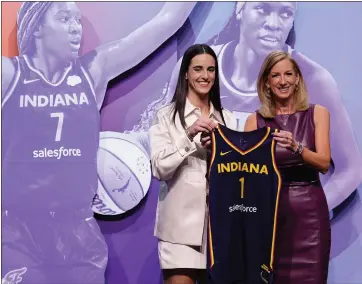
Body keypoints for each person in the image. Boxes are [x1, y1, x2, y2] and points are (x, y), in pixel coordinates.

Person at [1, 2, 195, 283]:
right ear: (37, 27)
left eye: (77, 20)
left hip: (78, 231)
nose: (75, 28)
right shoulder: (8, 75)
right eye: (64, 18)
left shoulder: (93, 69)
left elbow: (166, 21)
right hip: (20, 231)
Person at [160, 1, 362, 217]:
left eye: (285, 13)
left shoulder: (314, 80)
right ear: (240, 8)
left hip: (269, 235)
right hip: (196, 225)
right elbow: (163, 143)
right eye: (263, 9)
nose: (273, 24)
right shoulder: (195, 69)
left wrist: (295, 216)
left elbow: (350, 170)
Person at [149, 44, 236, 284]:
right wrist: (188, 135)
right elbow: (159, 168)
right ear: (186, 73)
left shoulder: (227, 118)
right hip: (179, 230)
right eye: (198, 69)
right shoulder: (166, 117)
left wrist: (221, 150)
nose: (205, 76)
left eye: (211, 69)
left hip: (219, 229)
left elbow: (236, 174)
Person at [244, 50, 331, 283]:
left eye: (288, 74)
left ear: (297, 79)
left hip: (310, 216)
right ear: (267, 83)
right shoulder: (255, 121)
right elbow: (246, 174)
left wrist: (297, 147)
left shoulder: (318, 114)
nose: (283, 81)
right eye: (275, 76)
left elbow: (323, 163)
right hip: (271, 218)